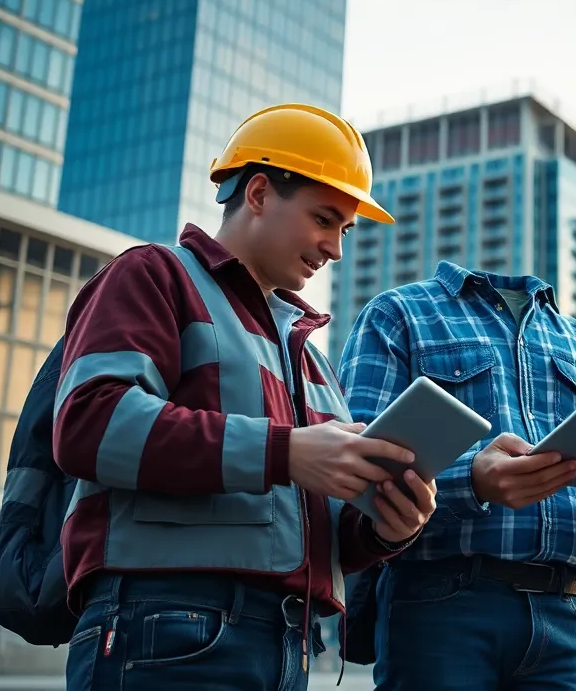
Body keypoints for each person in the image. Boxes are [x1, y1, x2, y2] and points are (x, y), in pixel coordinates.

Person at [52, 103, 438, 691]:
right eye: (324, 218)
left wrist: (386, 527)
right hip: (167, 626)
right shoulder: (155, 276)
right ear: (258, 193)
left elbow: (319, 532)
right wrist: (285, 452)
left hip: (288, 643)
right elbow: (87, 423)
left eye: (344, 230)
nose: (335, 246)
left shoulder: (311, 361)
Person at [339, 263, 576, 690]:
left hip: (564, 613)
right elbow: (357, 470)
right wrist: (471, 482)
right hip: (440, 606)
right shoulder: (398, 312)